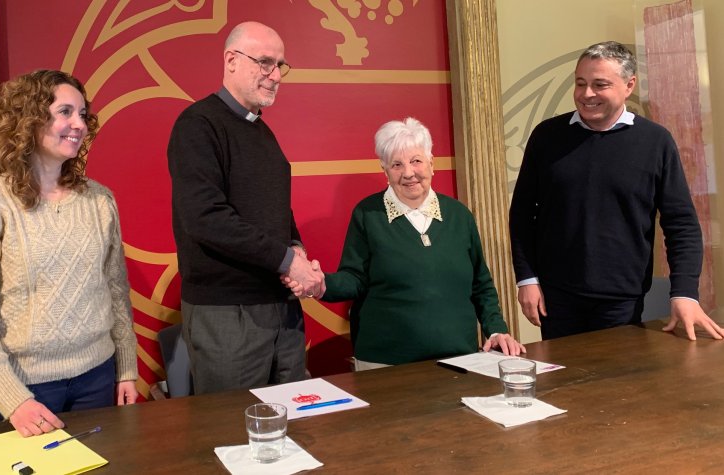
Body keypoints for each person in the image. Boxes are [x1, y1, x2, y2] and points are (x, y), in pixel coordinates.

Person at [0, 70, 139, 437]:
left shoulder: (100, 200)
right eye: (65, 111)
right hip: (26, 391)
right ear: (29, 120)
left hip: (98, 380)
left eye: (83, 114)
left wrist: (126, 368)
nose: (78, 124)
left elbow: (116, 291)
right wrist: (14, 400)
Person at [509, 41, 724, 341]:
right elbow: (521, 215)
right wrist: (526, 279)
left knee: (618, 387)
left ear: (629, 85)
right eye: (580, 83)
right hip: (555, 299)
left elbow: (682, 225)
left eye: (600, 85)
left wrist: (685, 293)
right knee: (562, 386)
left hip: (623, 301)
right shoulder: (546, 137)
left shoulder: (656, 142)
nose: (586, 94)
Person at [288, 118, 524, 370]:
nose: (409, 173)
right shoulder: (367, 214)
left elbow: (481, 284)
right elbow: (354, 279)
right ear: (385, 171)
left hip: (459, 359)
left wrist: (496, 329)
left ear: (432, 163)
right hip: (384, 364)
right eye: (397, 165)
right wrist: (320, 284)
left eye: (416, 161)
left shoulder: (459, 215)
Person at [166, 22, 324, 394]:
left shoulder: (262, 131)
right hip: (228, 314)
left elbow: (274, 209)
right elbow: (206, 219)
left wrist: (296, 247)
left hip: (282, 310)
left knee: (294, 426)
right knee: (234, 431)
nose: (275, 75)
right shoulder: (198, 125)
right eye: (265, 62)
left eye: (280, 65)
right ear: (231, 61)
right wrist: (288, 261)